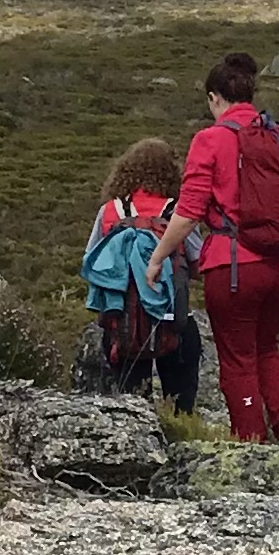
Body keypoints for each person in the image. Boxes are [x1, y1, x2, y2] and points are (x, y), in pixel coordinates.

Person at [173, 51, 279, 443]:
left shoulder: (210, 139)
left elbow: (188, 212)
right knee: (266, 345)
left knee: (237, 358)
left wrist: (157, 259)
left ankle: (252, 443)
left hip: (234, 266)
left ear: (214, 98)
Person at [79, 135, 203, 413]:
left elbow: (91, 262)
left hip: (122, 326)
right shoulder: (179, 213)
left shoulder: (110, 211)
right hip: (174, 323)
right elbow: (199, 265)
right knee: (180, 405)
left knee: (132, 406)